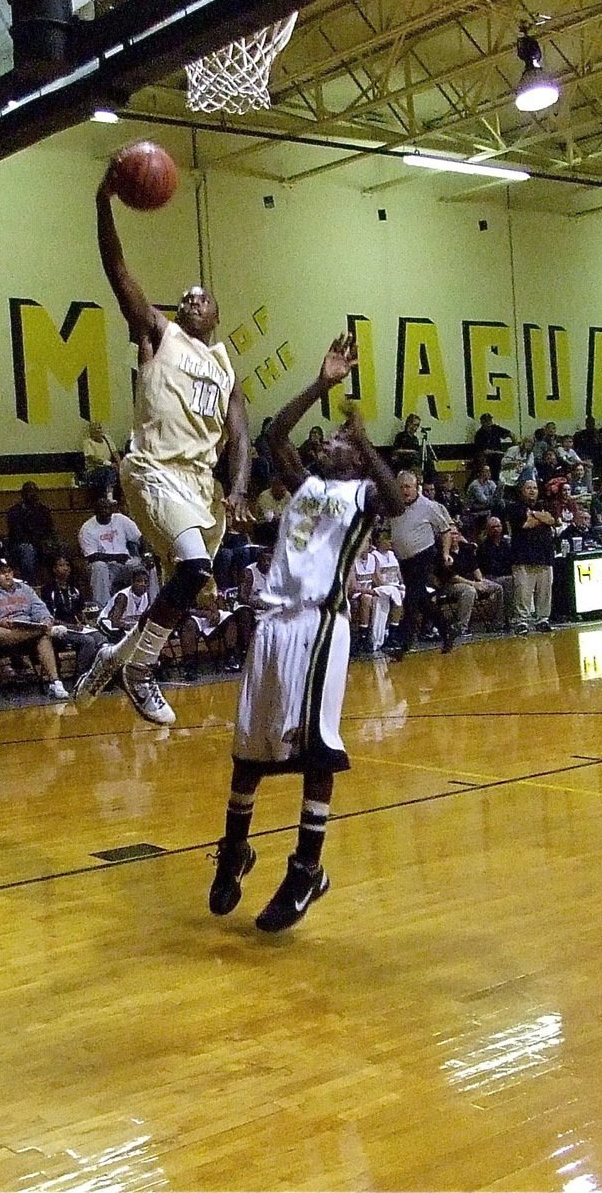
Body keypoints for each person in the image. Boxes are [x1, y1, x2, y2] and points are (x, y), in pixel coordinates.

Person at [208, 335, 404, 933]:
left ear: (358, 455)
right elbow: (273, 437)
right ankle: (236, 848)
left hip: (320, 623)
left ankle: (306, 868)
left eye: (339, 440)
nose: (327, 441)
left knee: (315, 744)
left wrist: (365, 442)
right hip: (272, 622)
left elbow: (396, 498)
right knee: (251, 747)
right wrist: (322, 384)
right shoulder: (306, 484)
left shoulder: (361, 495)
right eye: (330, 438)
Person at [77, 162, 252, 726]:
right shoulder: (158, 334)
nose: (189, 302)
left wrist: (240, 488)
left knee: (195, 582)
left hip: (203, 486)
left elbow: (242, 436)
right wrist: (104, 203)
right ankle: (141, 668)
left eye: (200, 299)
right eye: (185, 297)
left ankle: (119, 653)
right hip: (154, 469)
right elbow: (117, 269)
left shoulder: (226, 366)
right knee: (195, 567)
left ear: (217, 314)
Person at [0, 560, 69, 699]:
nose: (7, 576)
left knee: (43, 638)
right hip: (3, 632)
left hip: (27, 627)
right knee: (3, 633)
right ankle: (46, 630)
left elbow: (40, 609)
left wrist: (46, 619)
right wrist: (0, 622)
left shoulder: (25, 589)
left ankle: (56, 683)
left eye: (9, 572)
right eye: (2, 573)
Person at [386, 470, 455, 655]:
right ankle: (447, 630)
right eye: (401, 487)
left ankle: (403, 644)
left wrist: (446, 553)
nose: (404, 490)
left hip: (423, 555)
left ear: (416, 487)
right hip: (404, 559)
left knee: (411, 598)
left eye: (408, 486)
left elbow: (446, 530)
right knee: (422, 599)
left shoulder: (428, 506)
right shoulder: (394, 505)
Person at [40, 554, 106, 678]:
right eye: (61, 565)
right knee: (88, 641)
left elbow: (80, 612)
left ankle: (97, 673)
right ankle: (81, 676)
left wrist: (86, 624)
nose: (65, 568)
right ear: (54, 569)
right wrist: (69, 625)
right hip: (58, 628)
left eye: (67, 565)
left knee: (101, 638)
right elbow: (47, 616)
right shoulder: (48, 590)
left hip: (76, 628)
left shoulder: (74, 588)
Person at [507, 478, 556, 633]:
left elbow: (552, 520)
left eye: (535, 487)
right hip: (523, 556)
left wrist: (535, 514)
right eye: (528, 488)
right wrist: (541, 518)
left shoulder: (544, 505)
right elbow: (526, 524)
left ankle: (543, 619)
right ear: (522, 491)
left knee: (544, 591)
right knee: (523, 592)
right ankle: (522, 621)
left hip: (544, 555)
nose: (532, 490)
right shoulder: (515, 508)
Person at [77, 499, 144, 608]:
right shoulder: (87, 528)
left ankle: (152, 604)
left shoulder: (121, 519)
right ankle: (103, 608)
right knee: (99, 566)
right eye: (101, 508)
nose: (104, 511)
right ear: (95, 511)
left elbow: (139, 538)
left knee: (147, 566)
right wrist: (116, 557)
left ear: (112, 509)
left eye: (107, 508)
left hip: (126, 562)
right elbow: (91, 556)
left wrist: (146, 555)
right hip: (106, 566)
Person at [6, 481, 58, 584]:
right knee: (28, 550)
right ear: (23, 494)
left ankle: (59, 584)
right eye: (29, 491)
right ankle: (31, 584)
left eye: (34, 492)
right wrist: (38, 543)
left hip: (41, 544)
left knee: (60, 547)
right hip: (20, 546)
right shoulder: (15, 511)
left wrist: (50, 542)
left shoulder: (43, 510)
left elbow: (50, 530)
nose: (32, 494)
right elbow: (17, 535)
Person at [81, 421, 121, 500]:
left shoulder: (107, 439)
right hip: (93, 471)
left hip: (109, 467)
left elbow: (115, 453)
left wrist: (120, 465)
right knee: (108, 471)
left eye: (99, 428)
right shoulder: (87, 442)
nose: (98, 431)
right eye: (95, 429)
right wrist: (108, 463)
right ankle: (109, 497)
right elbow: (92, 458)